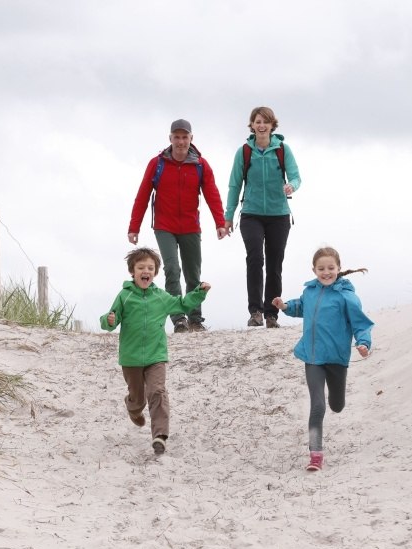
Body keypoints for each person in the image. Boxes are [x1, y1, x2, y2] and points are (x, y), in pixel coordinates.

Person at [100, 247, 211, 455]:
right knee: (138, 398)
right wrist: (109, 320)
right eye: (141, 267)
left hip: (156, 356)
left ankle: (160, 436)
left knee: (157, 391)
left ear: (155, 273)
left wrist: (199, 293)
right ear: (132, 271)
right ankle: (133, 407)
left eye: (150, 268)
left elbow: (182, 304)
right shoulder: (124, 296)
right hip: (131, 357)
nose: (146, 271)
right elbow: (110, 319)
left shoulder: (160, 297)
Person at [272, 247, 374, 471]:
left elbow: (361, 324)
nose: (326, 272)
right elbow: (301, 306)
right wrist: (285, 306)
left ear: (338, 268)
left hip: (337, 359)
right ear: (314, 270)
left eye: (330, 268)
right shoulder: (310, 292)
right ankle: (315, 455)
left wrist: (364, 342)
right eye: (321, 269)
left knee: (336, 405)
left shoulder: (347, 297)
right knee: (317, 406)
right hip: (313, 357)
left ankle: (336, 400)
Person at [128, 118, 227, 333]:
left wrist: (220, 222)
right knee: (172, 269)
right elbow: (143, 195)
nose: (180, 141)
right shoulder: (158, 164)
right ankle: (178, 319)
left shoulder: (200, 165)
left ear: (191, 139)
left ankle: (195, 318)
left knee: (193, 274)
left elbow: (212, 194)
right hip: (164, 226)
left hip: (191, 226)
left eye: (185, 137)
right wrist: (134, 227)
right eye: (177, 137)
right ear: (170, 138)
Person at [224, 106, 301, 329]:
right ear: (252, 124)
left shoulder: (283, 150)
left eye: (265, 121)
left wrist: (291, 186)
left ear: (272, 125)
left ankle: (271, 314)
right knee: (255, 258)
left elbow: (296, 177)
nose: (261, 125)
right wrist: (228, 217)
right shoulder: (244, 152)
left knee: (275, 263)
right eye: (257, 121)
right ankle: (255, 311)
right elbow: (234, 185)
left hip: (279, 215)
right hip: (251, 214)